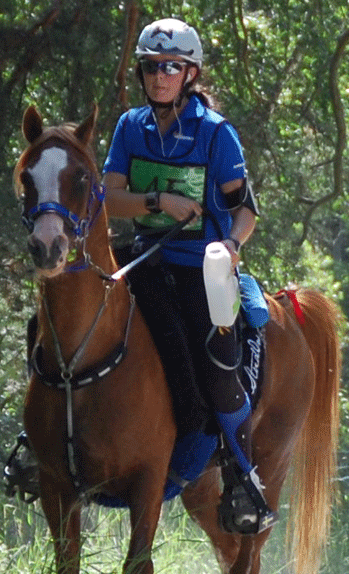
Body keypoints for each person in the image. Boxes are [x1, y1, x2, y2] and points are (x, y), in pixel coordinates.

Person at [102, 17, 276, 534]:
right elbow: (110, 199)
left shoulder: (216, 134)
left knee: (218, 368)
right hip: (144, 263)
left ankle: (245, 481)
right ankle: (40, 444)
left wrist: (231, 243)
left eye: (171, 67)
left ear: (190, 73)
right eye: (152, 67)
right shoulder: (130, 127)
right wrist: (158, 201)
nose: (160, 76)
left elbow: (244, 210)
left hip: (202, 269)